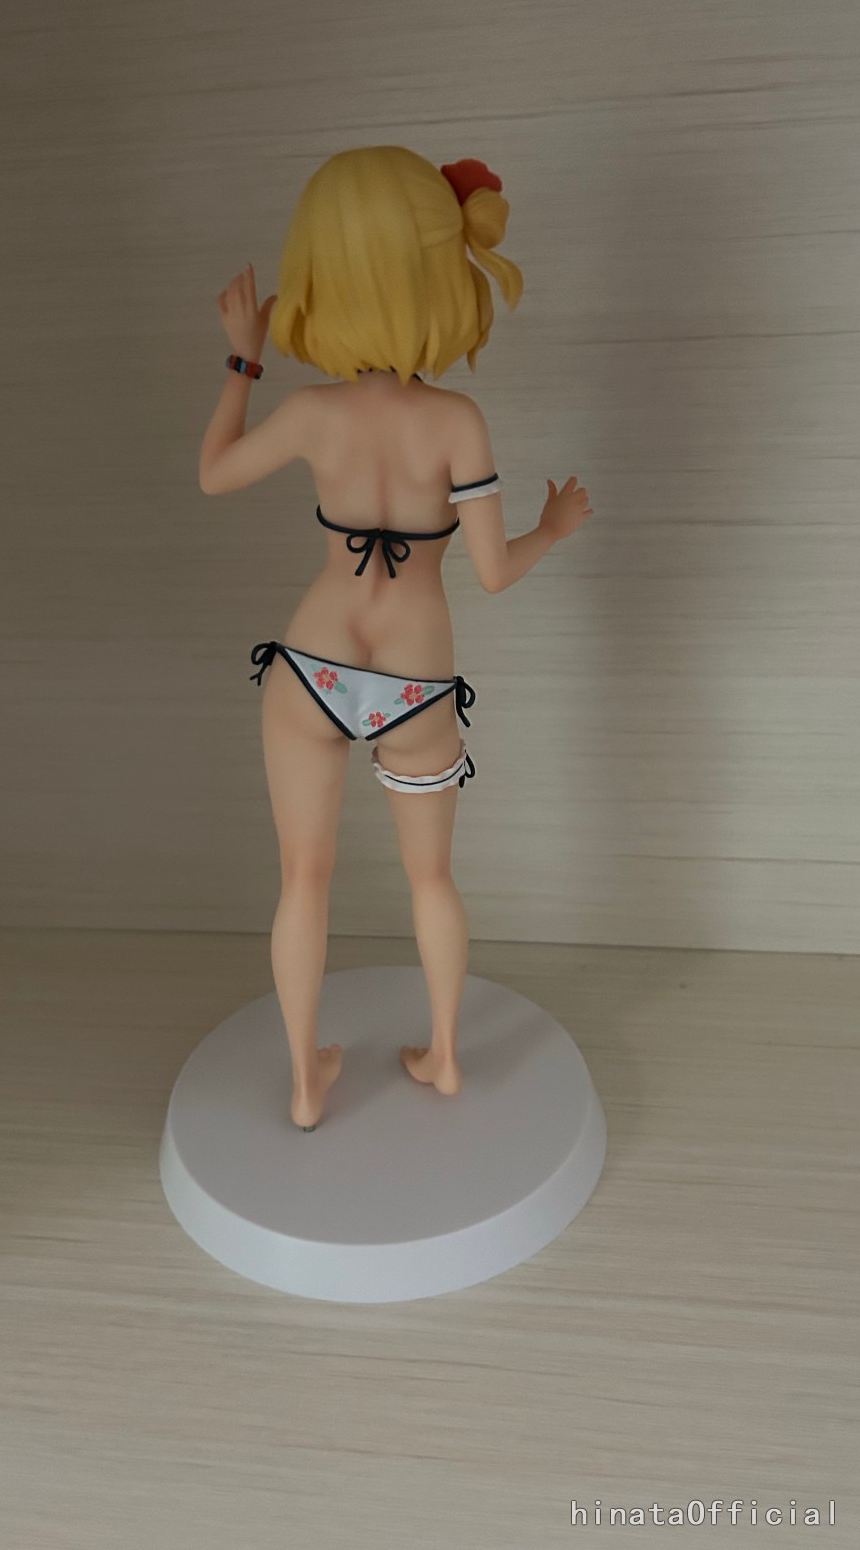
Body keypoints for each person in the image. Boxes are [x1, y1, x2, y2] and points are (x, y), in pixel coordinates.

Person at [198, 146, 592, 1130]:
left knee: (303, 877)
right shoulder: (456, 420)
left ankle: (305, 1079)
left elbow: (213, 474)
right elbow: (492, 573)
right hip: (417, 680)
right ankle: (447, 1056)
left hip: (312, 665)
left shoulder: (311, 412)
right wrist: (553, 528)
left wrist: (244, 360)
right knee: (431, 877)